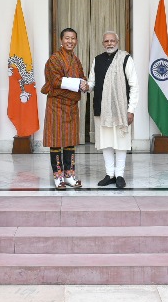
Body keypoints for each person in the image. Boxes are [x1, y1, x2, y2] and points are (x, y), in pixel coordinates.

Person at [87, 31, 138, 189]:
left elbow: (134, 85)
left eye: (112, 40)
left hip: (121, 109)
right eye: (106, 41)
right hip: (101, 108)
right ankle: (110, 174)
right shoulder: (97, 60)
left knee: (121, 141)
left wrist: (131, 110)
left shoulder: (126, 58)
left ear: (118, 41)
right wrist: (85, 86)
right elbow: (91, 83)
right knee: (106, 141)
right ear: (103, 43)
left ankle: (120, 174)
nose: (109, 43)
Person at [41, 28, 88, 190]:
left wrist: (85, 83)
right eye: (67, 38)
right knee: (56, 141)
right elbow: (55, 81)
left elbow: (82, 76)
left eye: (73, 38)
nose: (70, 41)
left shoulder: (76, 59)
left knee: (70, 141)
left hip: (72, 105)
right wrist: (78, 84)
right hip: (56, 105)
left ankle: (69, 175)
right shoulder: (54, 59)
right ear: (61, 40)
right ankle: (58, 176)